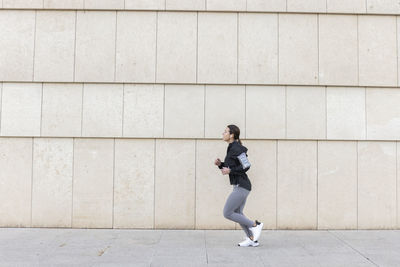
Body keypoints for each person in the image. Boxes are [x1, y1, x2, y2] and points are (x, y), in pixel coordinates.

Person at [214, 124, 263, 247]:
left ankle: (255, 225)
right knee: (238, 213)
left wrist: (230, 171)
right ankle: (252, 239)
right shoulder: (231, 147)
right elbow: (232, 166)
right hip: (238, 185)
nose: (223, 133)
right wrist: (221, 164)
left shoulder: (238, 148)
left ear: (232, 135)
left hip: (242, 186)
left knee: (228, 212)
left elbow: (246, 166)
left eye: (225, 132)